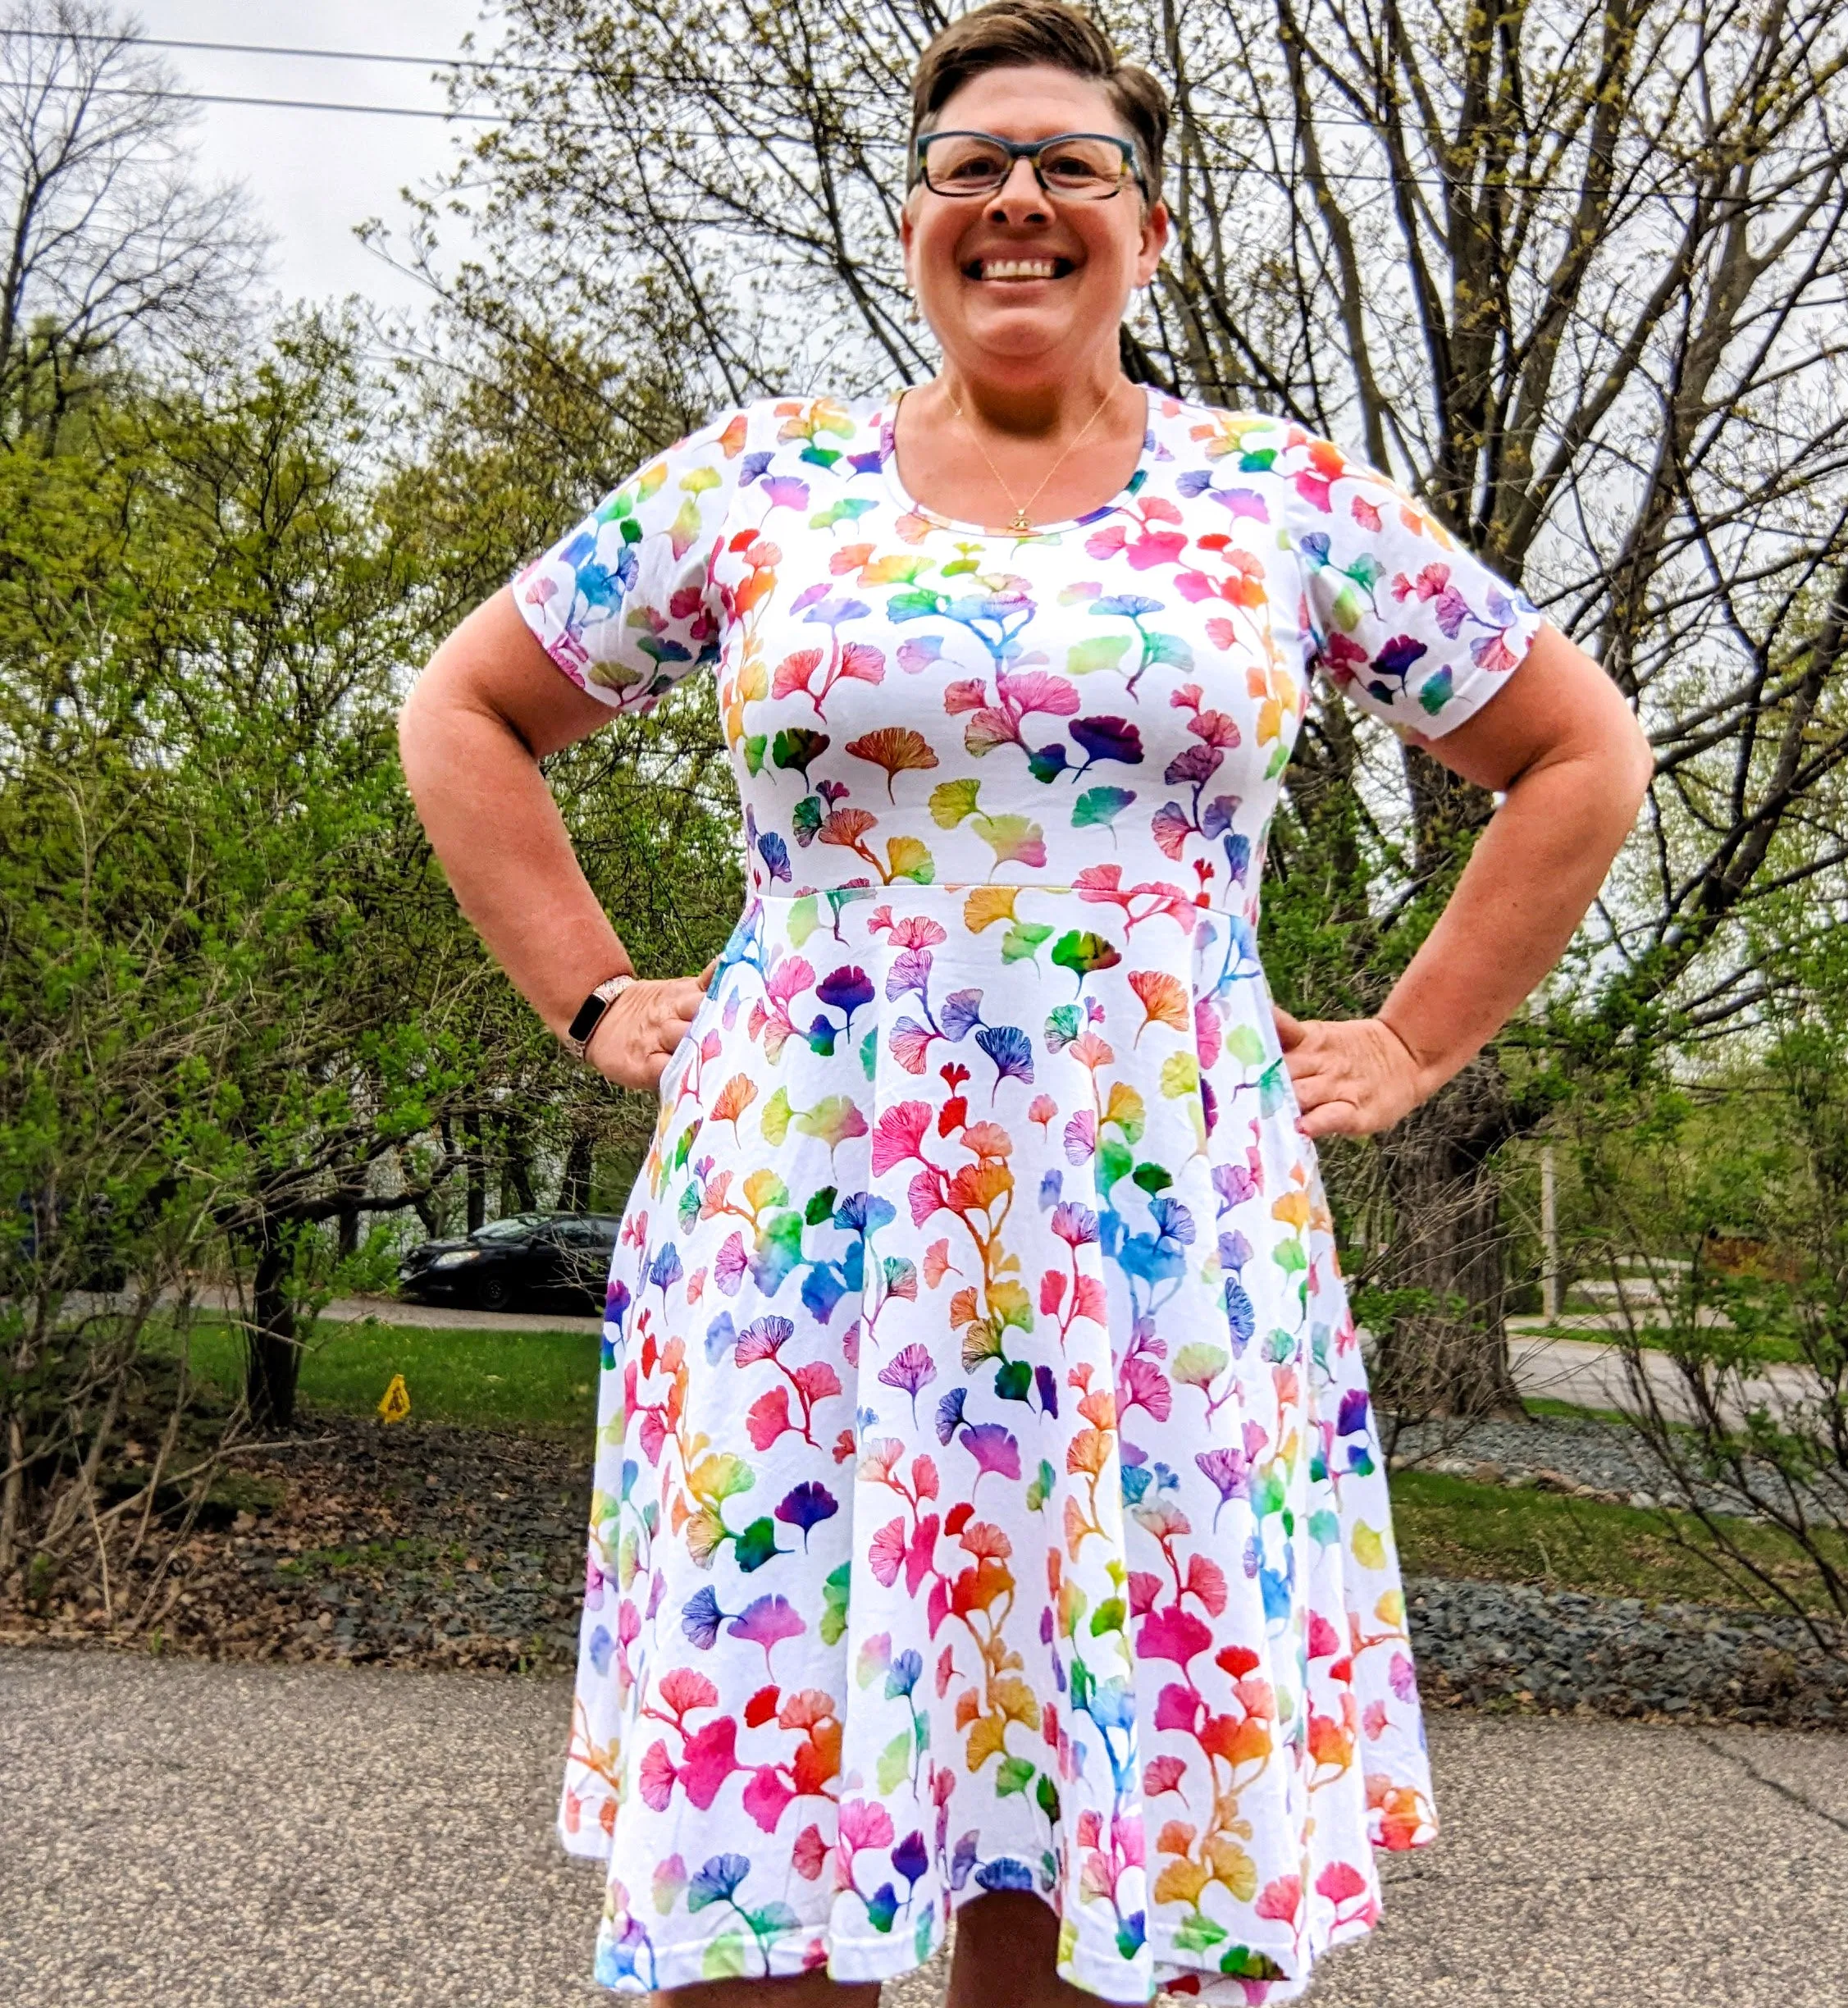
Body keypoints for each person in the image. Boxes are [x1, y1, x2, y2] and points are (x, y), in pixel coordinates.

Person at [399, 4, 1651, 2001]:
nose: (1018, 201)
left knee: (1082, 1827)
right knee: (770, 1803)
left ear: (1144, 229)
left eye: (1072, 165)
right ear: (915, 219)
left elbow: (1580, 752)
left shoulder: (1280, 497)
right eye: (971, 163)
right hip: (807, 1228)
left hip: (1149, 1249)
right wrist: (594, 994)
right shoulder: (759, 480)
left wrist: (1415, 1042)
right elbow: (464, 706)